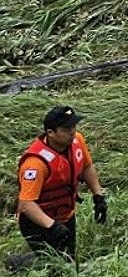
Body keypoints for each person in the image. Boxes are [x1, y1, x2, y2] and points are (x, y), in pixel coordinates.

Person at [10, 106, 106, 268]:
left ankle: (20, 263)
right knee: (56, 265)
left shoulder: (77, 141)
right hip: (37, 221)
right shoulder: (35, 164)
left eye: (74, 126)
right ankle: (18, 265)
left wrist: (98, 195)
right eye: (66, 129)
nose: (72, 132)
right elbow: (27, 204)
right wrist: (51, 226)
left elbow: (87, 167)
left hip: (65, 214)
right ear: (50, 132)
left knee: (67, 258)